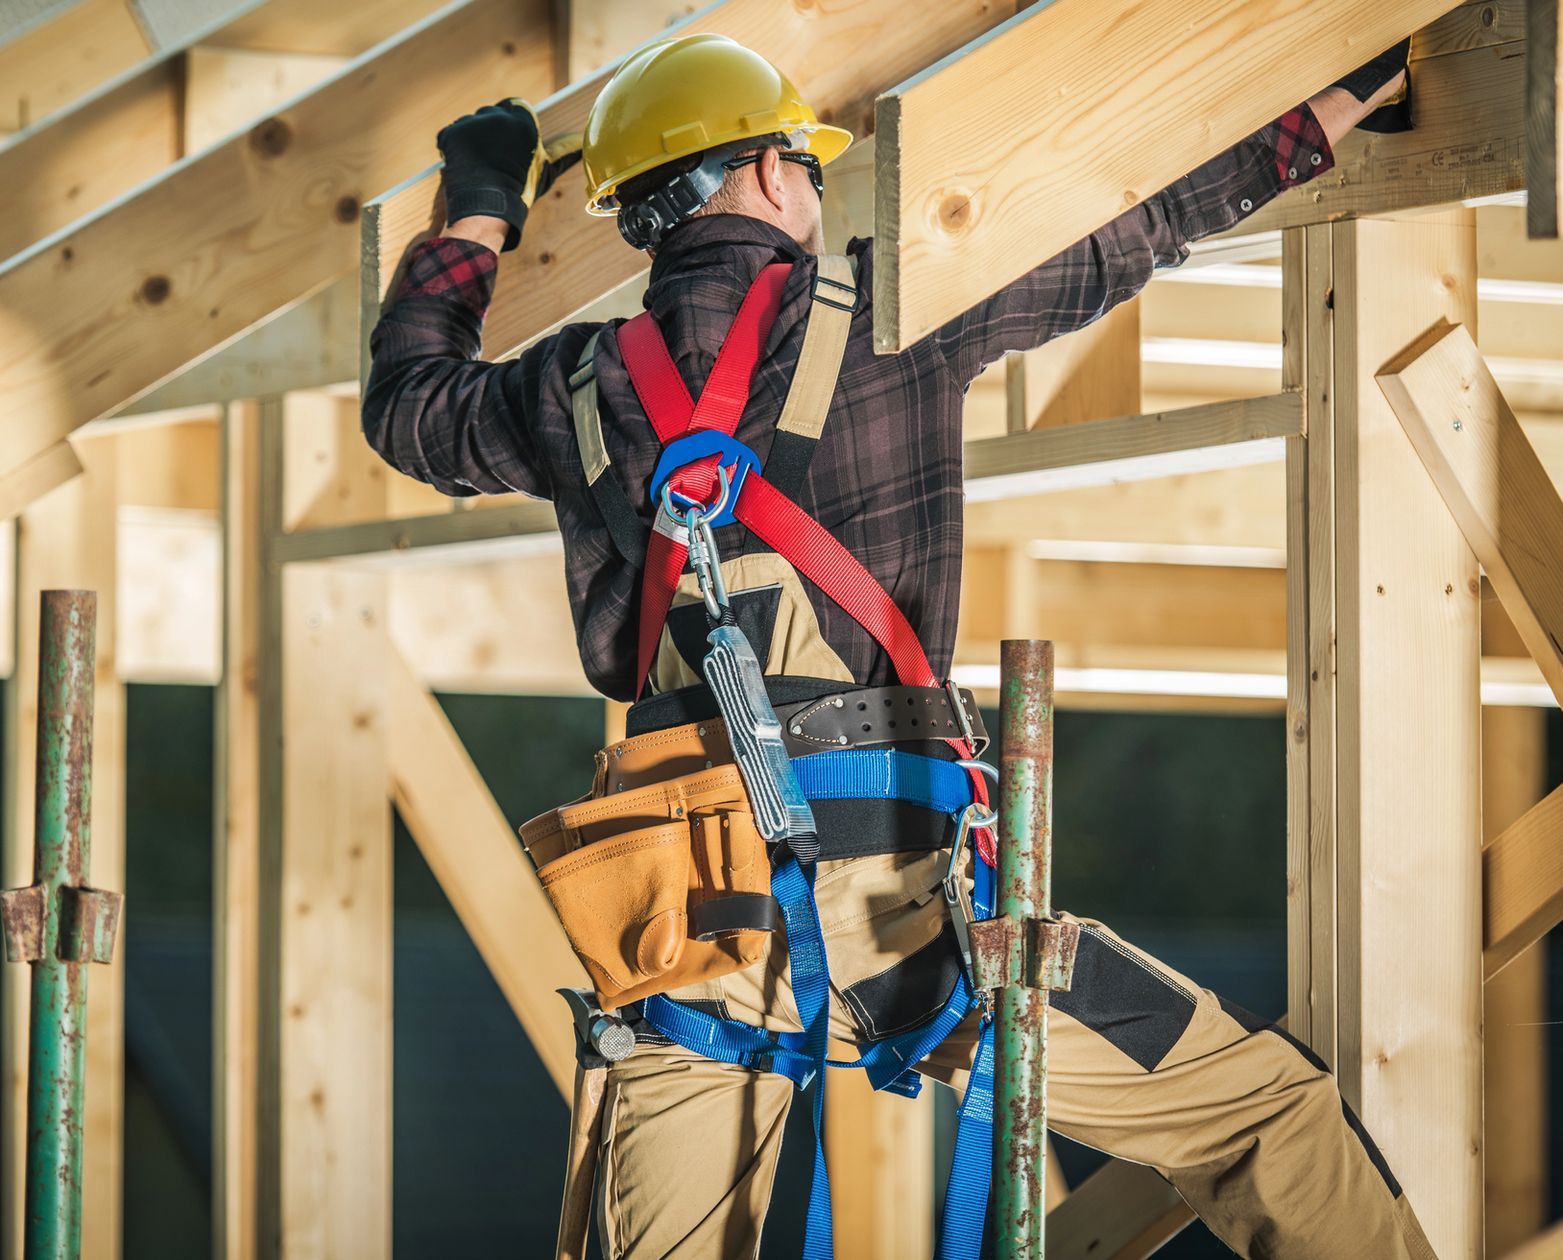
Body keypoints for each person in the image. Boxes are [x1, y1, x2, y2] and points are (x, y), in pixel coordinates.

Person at [364, 29, 1430, 1260]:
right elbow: (1134, 228)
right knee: (1264, 1116)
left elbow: (408, 404)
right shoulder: (890, 309)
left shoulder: (568, 385)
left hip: (686, 938)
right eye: (811, 168)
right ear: (773, 172)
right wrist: (1338, 96)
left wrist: (481, 201)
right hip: (905, 925)